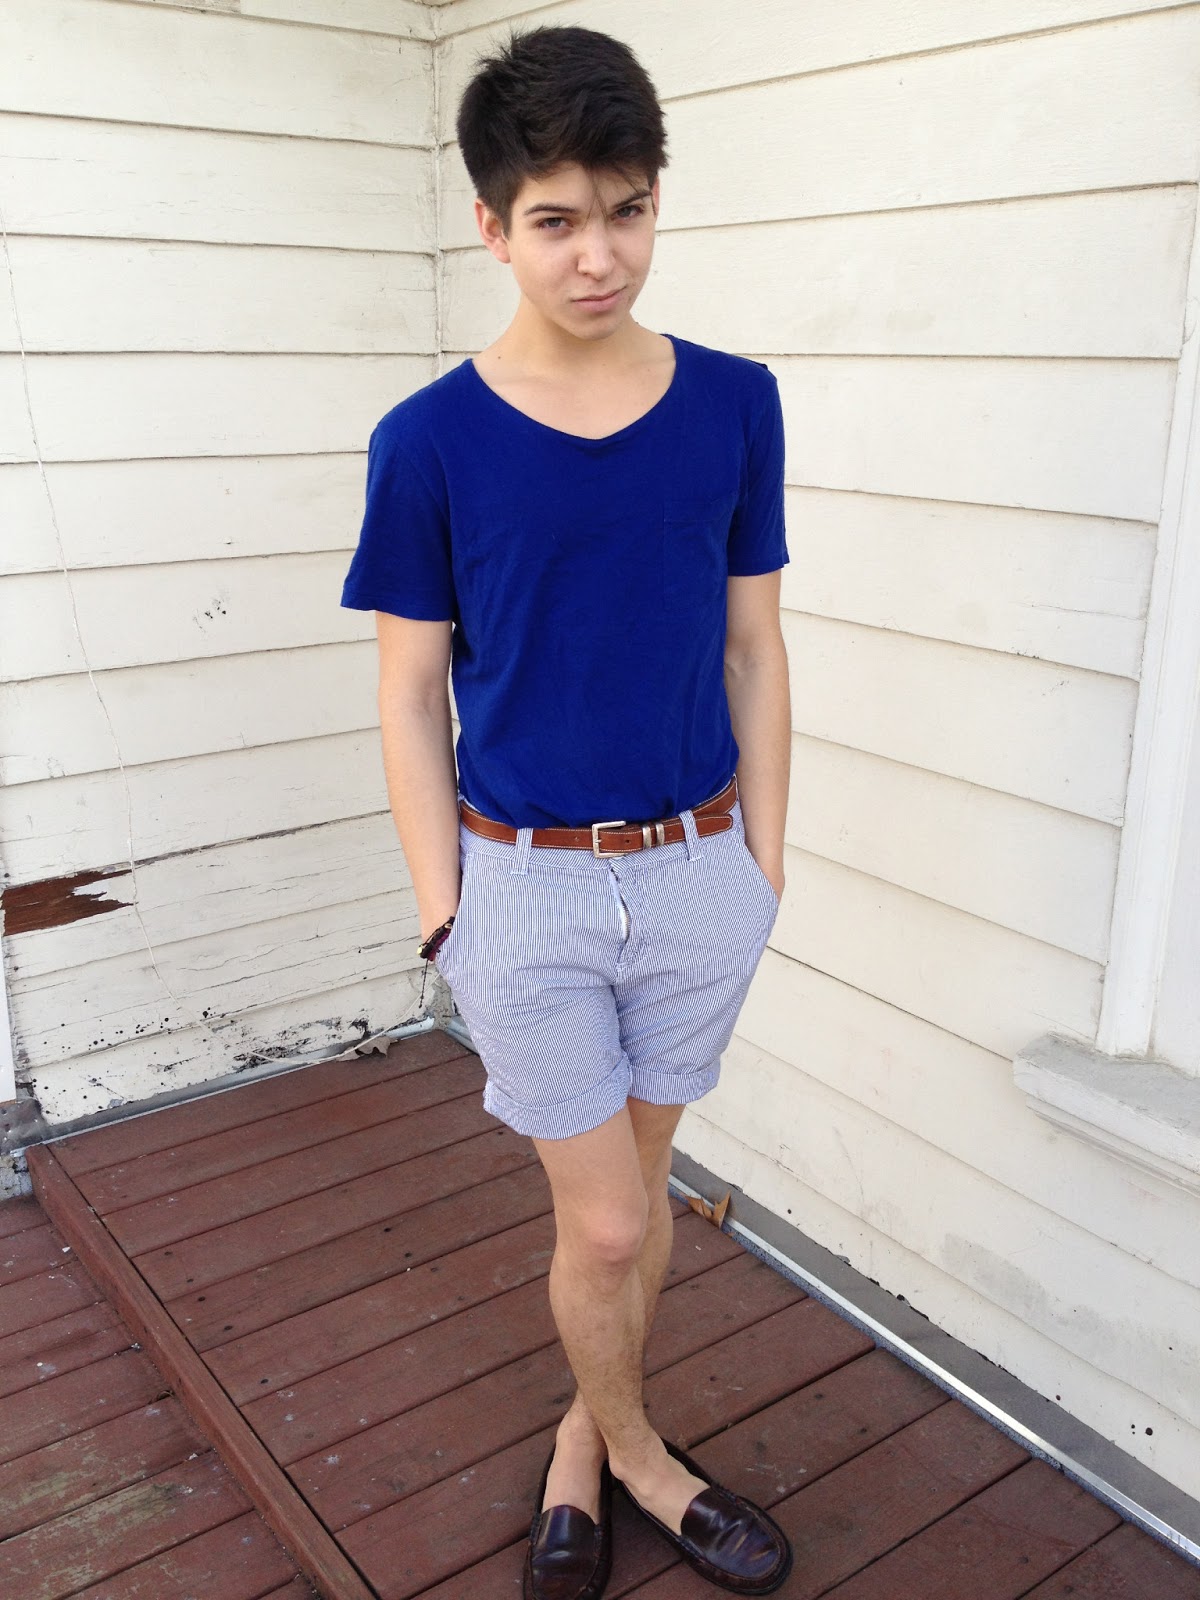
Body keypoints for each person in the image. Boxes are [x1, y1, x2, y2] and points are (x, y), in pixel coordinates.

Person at [340, 24, 793, 1599]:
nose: (599, 255)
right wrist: (443, 915)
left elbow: (754, 647)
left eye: (627, 210)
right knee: (603, 1229)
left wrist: (762, 867)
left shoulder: (735, 403)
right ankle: (641, 1459)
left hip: (697, 875)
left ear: (655, 201)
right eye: (557, 219)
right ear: (491, 224)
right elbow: (410, 692)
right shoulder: (430, 443)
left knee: (637, 1201)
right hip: (519, 888)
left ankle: (577, 1446)